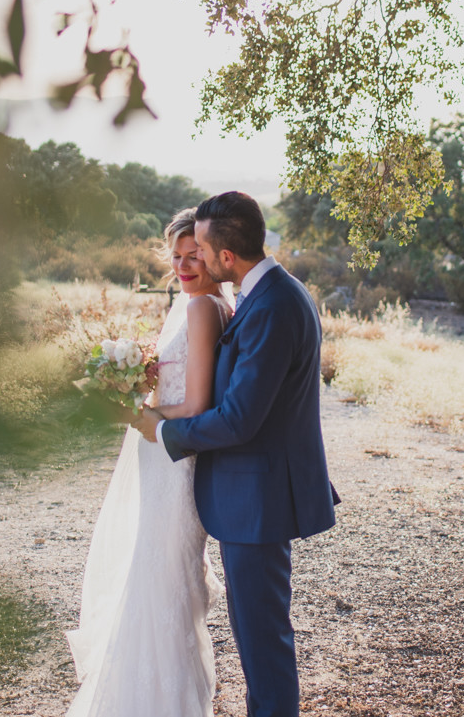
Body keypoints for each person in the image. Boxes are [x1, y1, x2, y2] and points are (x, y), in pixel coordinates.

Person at [132, 191, 338, 717]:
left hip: (259, 500)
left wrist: (161, 430)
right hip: (251, 496)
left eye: (200, 248)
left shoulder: (273, 306)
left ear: (227, 257)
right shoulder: (266, 293)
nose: (193, 258)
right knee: (256, 636)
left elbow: (240, 418)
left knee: (263, 642)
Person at [65, 208, 231, 717]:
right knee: (151, 573)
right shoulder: (185, 303)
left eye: (194, 255)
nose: (183, 266)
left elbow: (197, 406)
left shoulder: (204, 308)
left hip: (173, 461)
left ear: (212, 253)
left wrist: (139, 414)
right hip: (158, 452)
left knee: (160, 577)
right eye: (176, 257)